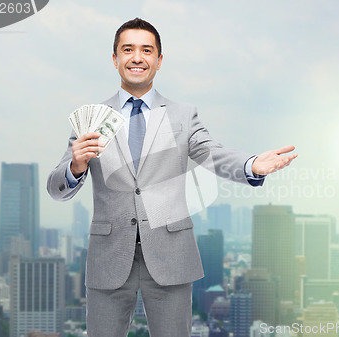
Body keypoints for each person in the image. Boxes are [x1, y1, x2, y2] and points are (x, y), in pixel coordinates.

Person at [47, 17, 297, 337]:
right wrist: (76, 167)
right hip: (109, 258)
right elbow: (56, 188)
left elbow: (213, 154)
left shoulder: (182, 115)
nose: (137, 57)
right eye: (128, 49)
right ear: (115, 59)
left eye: (146, 50)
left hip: (170, 256)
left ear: (159, 60)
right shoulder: (91, 119)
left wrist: (251, 166)